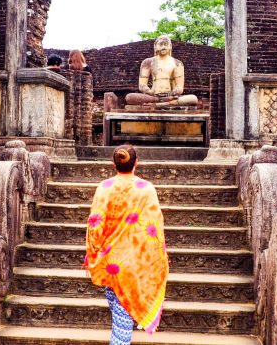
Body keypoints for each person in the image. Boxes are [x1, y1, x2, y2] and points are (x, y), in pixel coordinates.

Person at [84, 145, 169, 344]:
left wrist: (92, 254)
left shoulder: (104, 187)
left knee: (119, 321)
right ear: (136, 162)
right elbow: (154, 228)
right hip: (133, 267)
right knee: (121, 325)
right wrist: (159, 258)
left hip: (110, 264)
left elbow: (94, 222)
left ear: (114, 164)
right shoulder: (146, 189)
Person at [125, 35, 198, 106]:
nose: (163, 47)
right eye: (160, 44)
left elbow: (179, 87)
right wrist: (150, 92)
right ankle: (163, 103)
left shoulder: (177, 63)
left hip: (170, 96)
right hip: (153, 96)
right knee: (129, 97)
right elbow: (142, 85)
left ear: (170, 46)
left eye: (166, 44)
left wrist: (171, 93)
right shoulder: (147, 62)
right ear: (155, 46)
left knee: (193, 98)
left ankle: (160, 104)